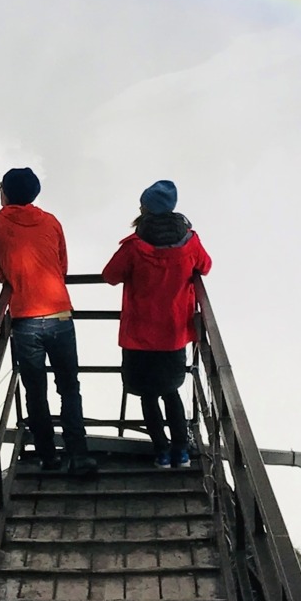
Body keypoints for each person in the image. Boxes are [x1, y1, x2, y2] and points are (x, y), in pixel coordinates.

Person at [0, 166, 96, 475]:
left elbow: (0, 272)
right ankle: (79, 454)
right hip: (60, 312)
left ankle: (47, 456)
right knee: (69, 387)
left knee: (35, 390)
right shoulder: (51, 222)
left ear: (6, 193)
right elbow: (62, 266)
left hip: (24, 317)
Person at [101, 178, 212, 469]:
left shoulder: (135, 246)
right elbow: (206, 266)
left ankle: (161, 452)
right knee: (171, 392)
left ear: (145, 209)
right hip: (173, 335)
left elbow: (110, 275)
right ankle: (182, 453)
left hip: (139, 336)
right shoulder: (190, 242)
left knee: (147, 396)